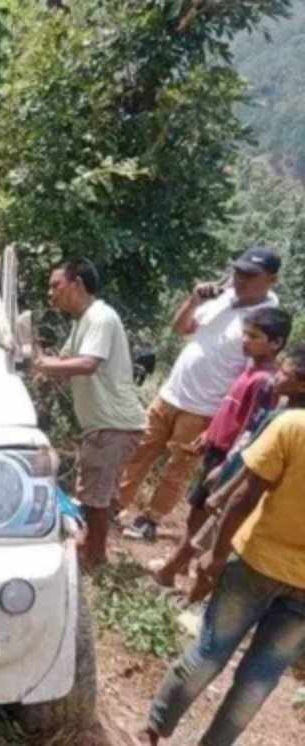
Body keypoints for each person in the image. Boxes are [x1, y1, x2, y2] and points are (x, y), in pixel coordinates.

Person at [138, 406, 305, 746]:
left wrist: (214, 557)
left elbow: (245, 497)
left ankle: (153, 730)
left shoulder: (293, 426)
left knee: (210, 652)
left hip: (254, 562)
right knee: (259, 679)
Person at [120, 246, 281, 542]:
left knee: (177, 468)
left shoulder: (265, 321)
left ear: (272, 280)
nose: (240, 279)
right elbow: (182, 327)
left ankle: (150, 520)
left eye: (249, 275)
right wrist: (194, 300)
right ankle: (114, 506)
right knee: (138, 451)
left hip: (204, 408)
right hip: (171, 393)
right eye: (238, 272)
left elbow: (250, 377)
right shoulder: (222, 298)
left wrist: (220, 422)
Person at [152, 307, 292, 587]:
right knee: (196, 513)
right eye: (245, 333)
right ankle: (181, 565)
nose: (245, 340)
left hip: (229, 460)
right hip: (217, 452)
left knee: (205, 517)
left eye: (254, 336)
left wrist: (228, 464)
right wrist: (208, 435)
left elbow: (252, 430)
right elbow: (231, 411)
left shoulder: (265, 381)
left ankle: (171, 569)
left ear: (275, 343)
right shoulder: (249, 371)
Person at [33, 259, 146, 570]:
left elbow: (86, 364)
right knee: (100, 494)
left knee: (93, 497)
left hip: (112, 425)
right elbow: (66, 361)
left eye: (56, 285)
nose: (50, 293)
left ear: (77, 284)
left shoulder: (100, 318)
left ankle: (93, 558)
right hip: (108, 424)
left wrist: (41, 364)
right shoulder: (82, 321)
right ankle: (95, 551)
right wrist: (40, 362)